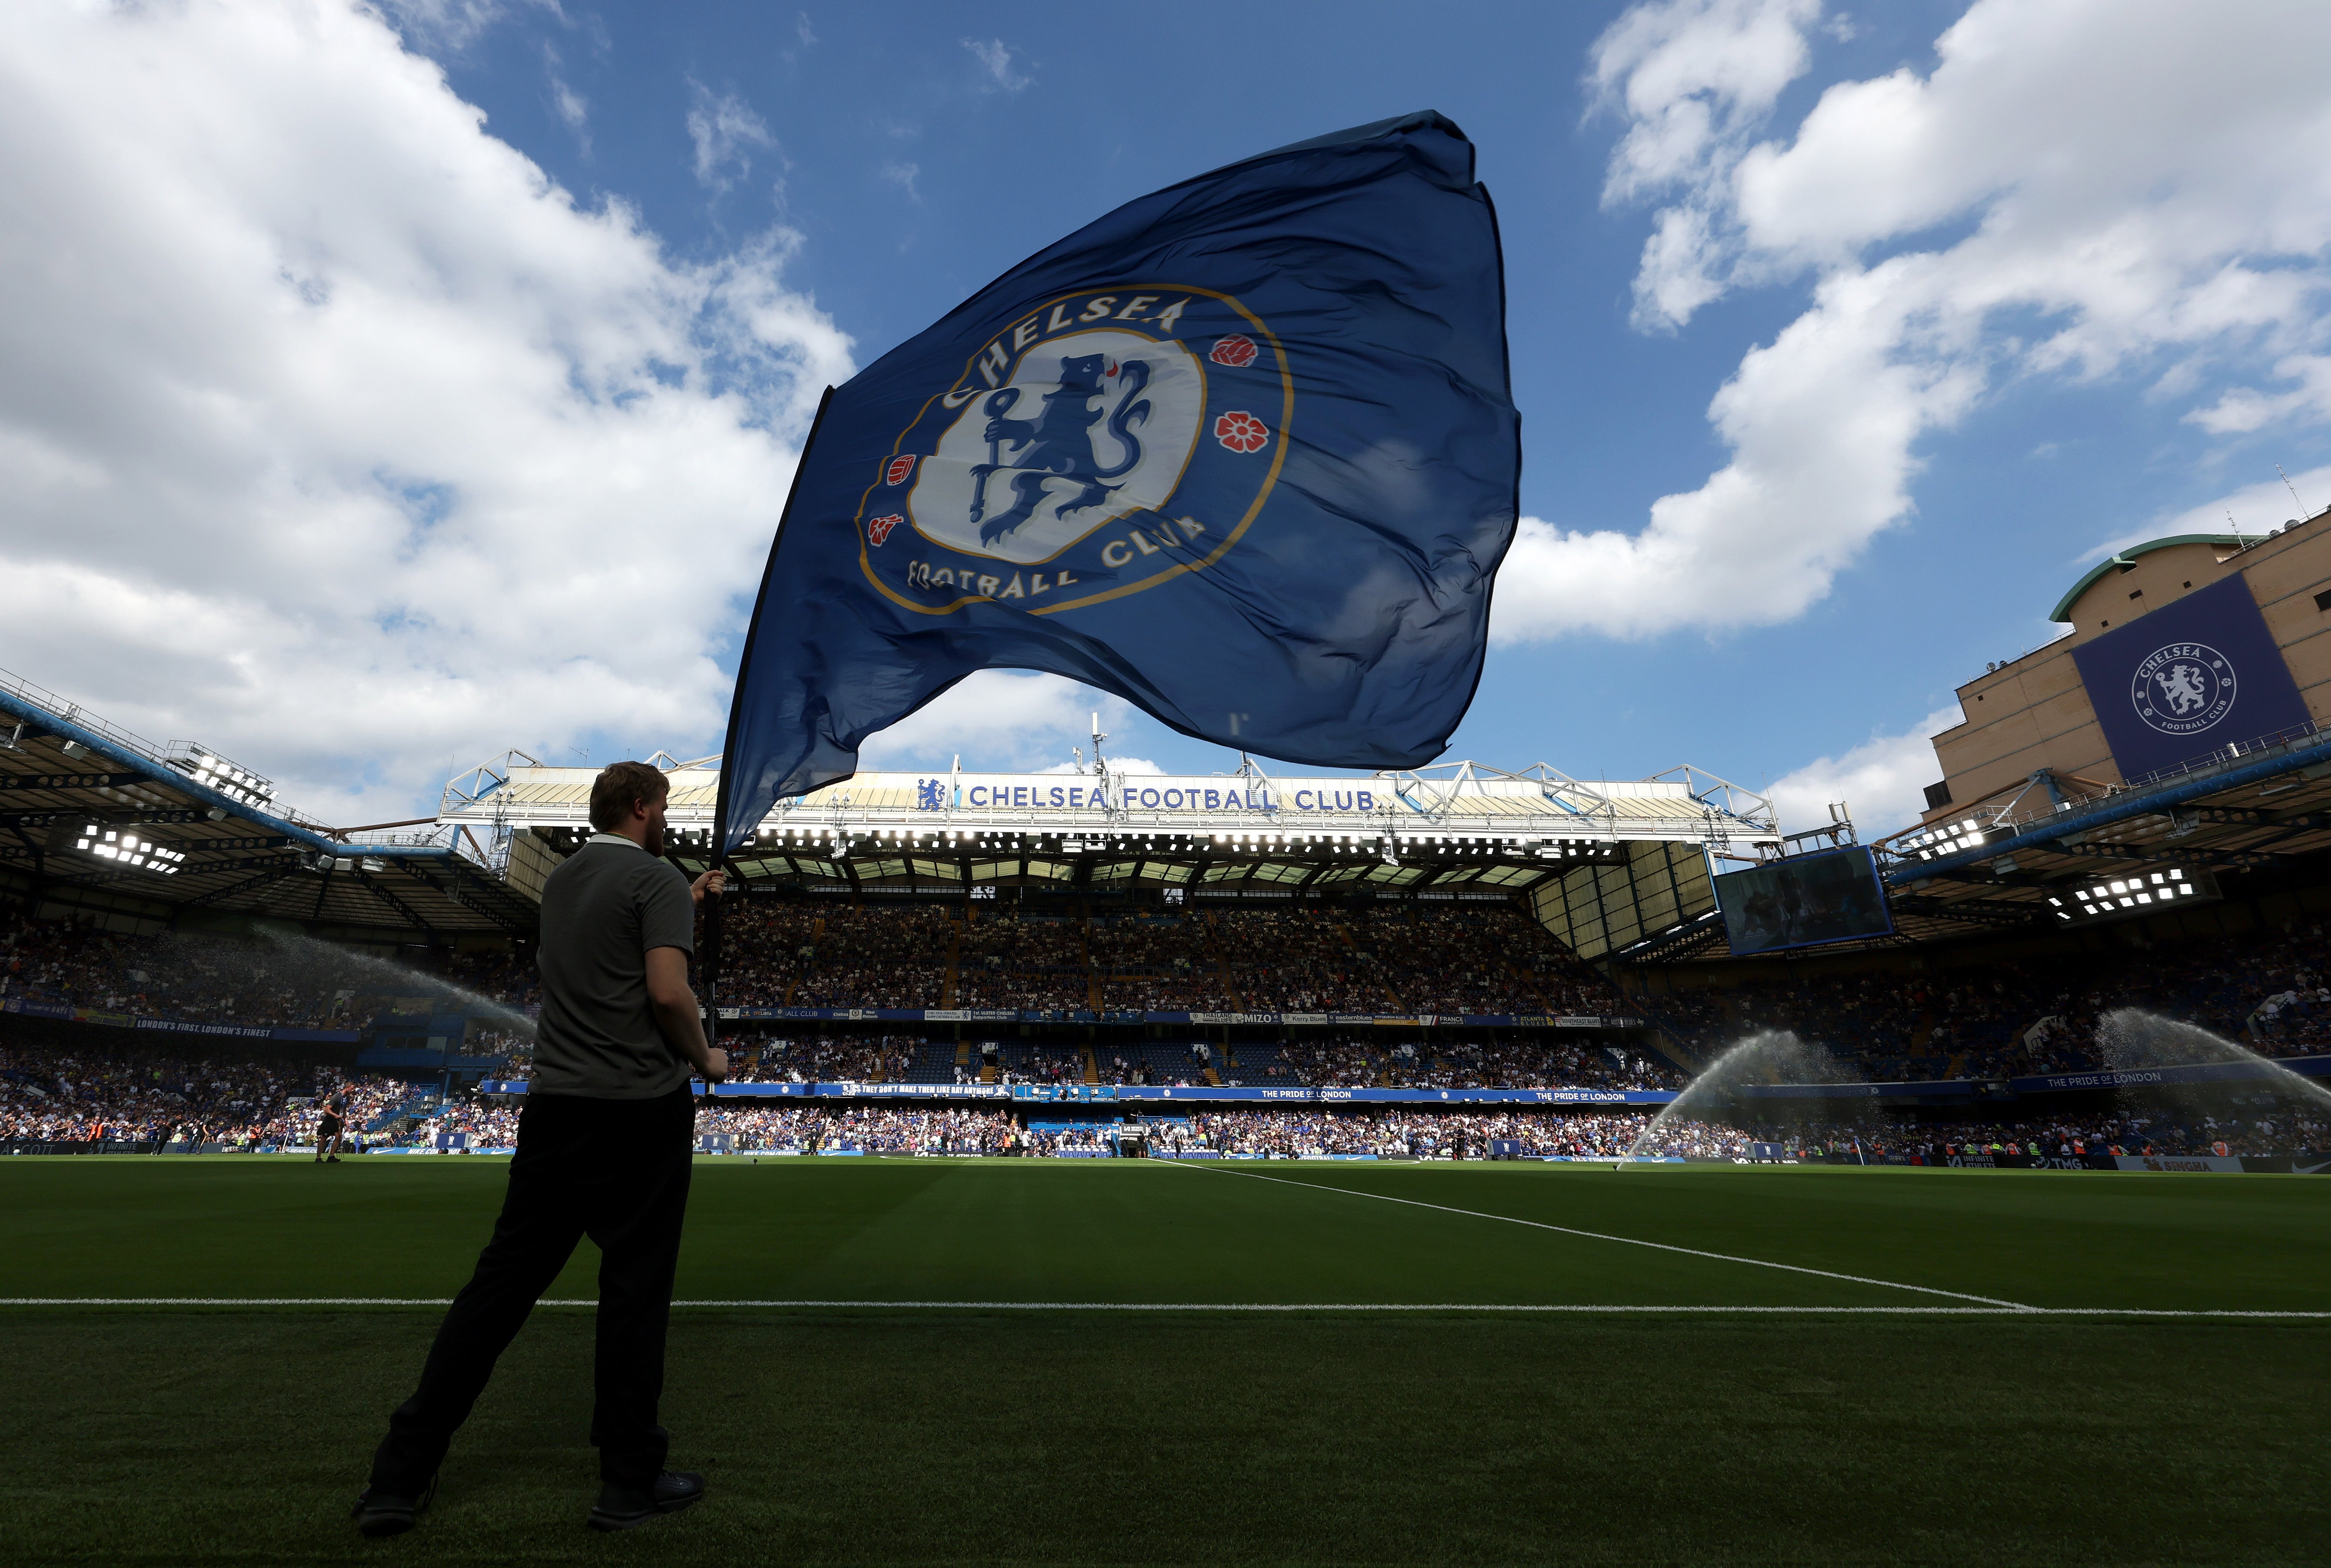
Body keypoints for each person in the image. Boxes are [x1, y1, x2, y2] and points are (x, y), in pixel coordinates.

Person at [353, 760, 727, 1538]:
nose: (669, 820)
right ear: (638, 806)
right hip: (638, 1111)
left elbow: (609, 944)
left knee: (496, 1292)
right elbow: (664, 991)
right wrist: (707, 1058)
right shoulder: (657, 880)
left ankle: (399, 1474)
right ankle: (627, 1483)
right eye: (663, 807)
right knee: (632, 1297)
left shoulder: (562, 880)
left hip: (554, 1106)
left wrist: (681, 902)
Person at [315, 1100, 344, 1164]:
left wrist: (346, 1118)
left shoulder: (346, 1100)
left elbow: (343, 1110)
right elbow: (327, 1110)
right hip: (329, 1121)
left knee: (338, 1137)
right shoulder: (337, 1097)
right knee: (324, 1138)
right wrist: (335, 1115)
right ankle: (318, 1158)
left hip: (338, 1121)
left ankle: (331, 1157)